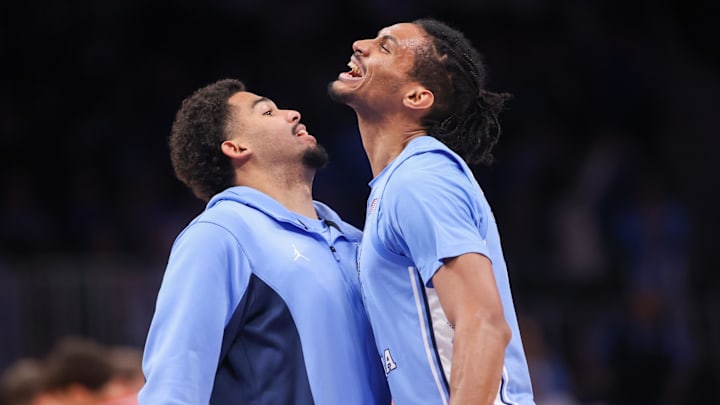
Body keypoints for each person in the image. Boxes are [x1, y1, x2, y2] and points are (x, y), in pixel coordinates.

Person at [139, 79, 390, 405]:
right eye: (268, 111)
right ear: (237, 146)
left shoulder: (356, 242)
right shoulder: (218, 236)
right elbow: (173, 388)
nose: (293, 114)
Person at [328, 19, 535, 404]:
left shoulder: (422, 177)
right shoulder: (397, 184)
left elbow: (484, 323)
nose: (359, 44)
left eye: (384, 46)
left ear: (416, 97)